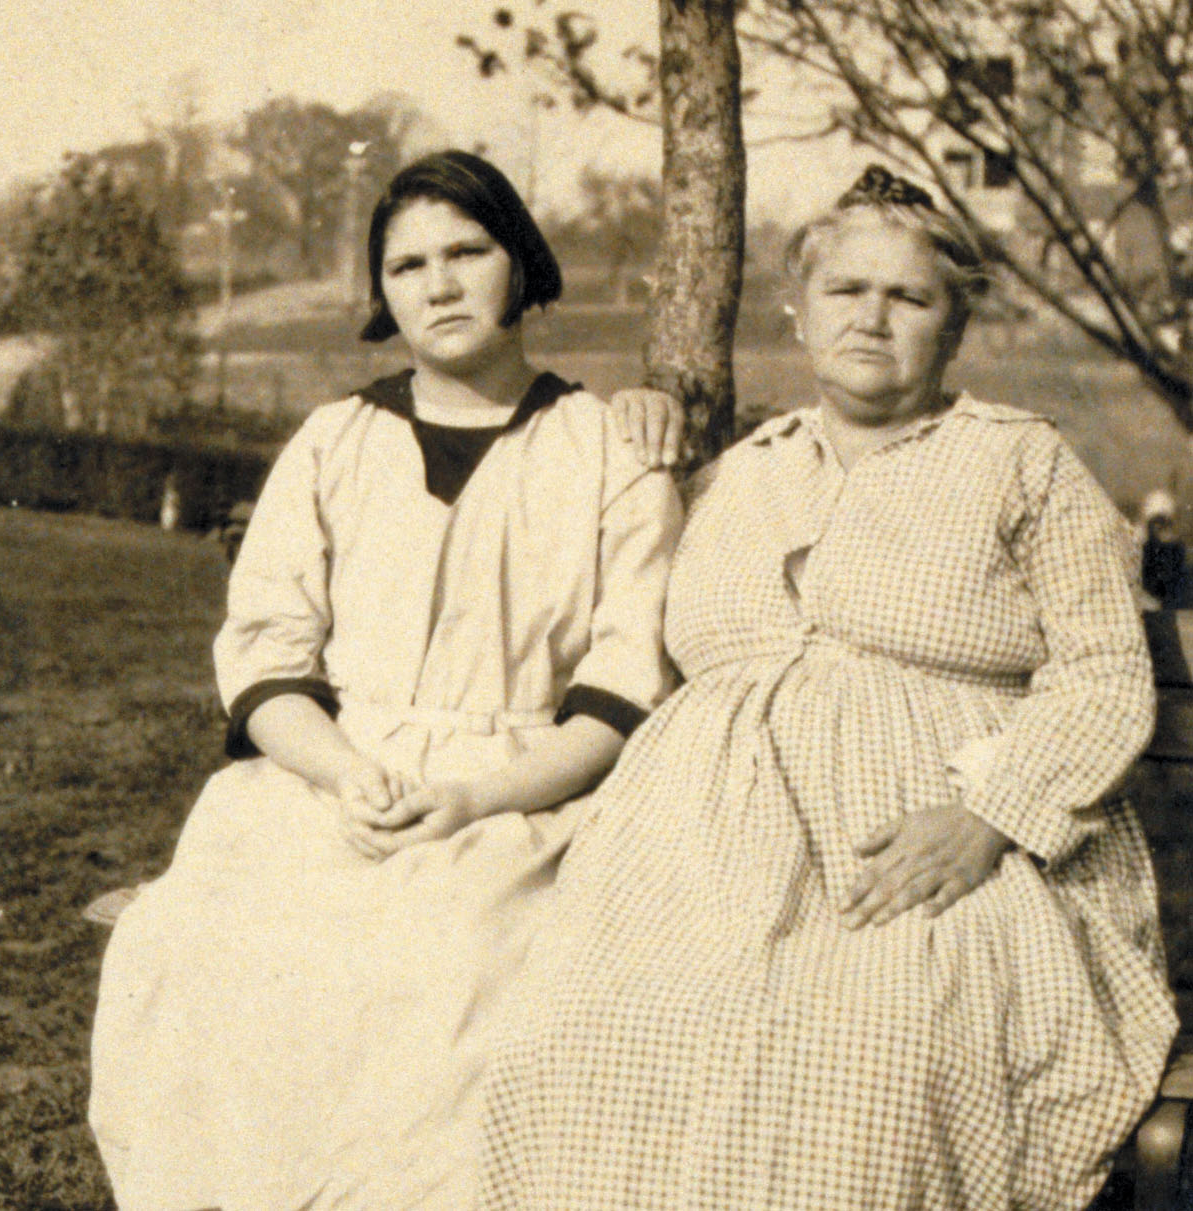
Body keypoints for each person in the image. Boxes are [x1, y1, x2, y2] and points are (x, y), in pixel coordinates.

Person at [478, 165, 1179, 1210]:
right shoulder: (734, 473)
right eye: (847, 290)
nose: (871, 317)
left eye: (908, 296)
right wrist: (630, 424)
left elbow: (1102, 675)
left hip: (929, 850)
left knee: (865, 1068)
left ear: (954, 325)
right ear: (797, 311)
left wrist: (988, 816)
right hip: (694, 862)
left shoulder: (1018, 463)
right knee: (577, 1041)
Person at [87, 149, 683, 1211]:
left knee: (452, 983)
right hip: (329, 778)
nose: (439, 284)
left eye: (467, 251)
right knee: (202, 953)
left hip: (521, 792)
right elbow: (265, 655)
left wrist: (476, 795)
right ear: (382, 290)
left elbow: (621, 683)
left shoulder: (603, 448)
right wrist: (342, 771)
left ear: (521, 266)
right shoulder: (333, 440)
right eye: (407, 265)